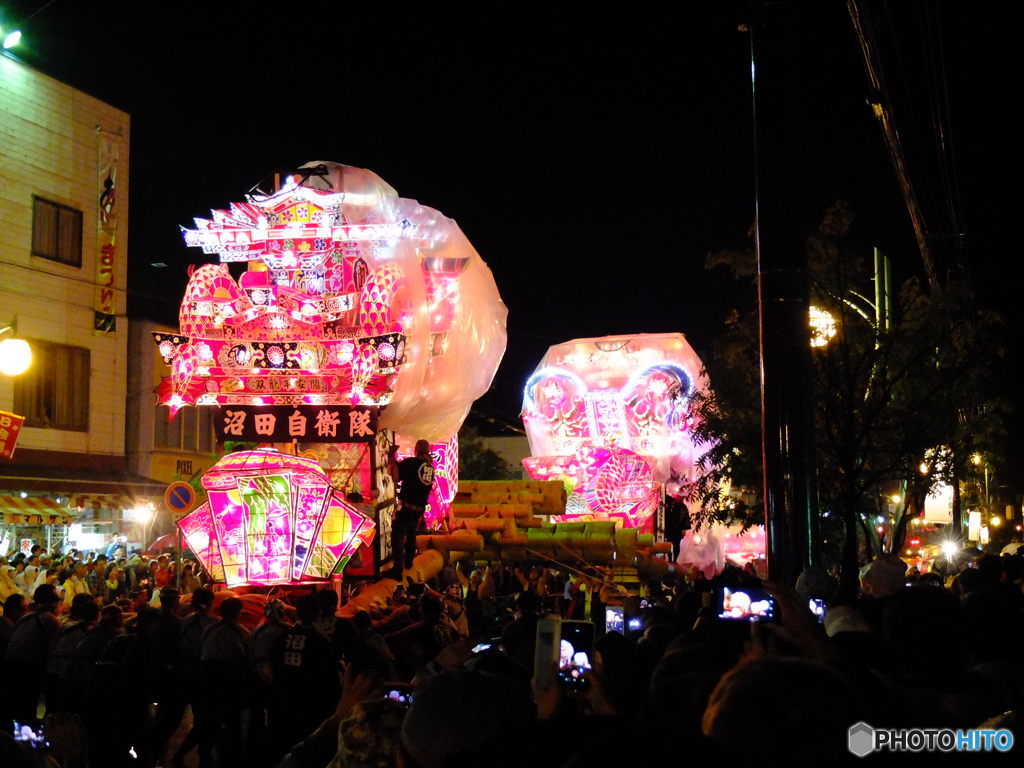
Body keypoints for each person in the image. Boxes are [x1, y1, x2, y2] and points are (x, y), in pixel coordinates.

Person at [386, 439, 435, 580]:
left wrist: (391, 456)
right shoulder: (430, 468)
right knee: (411, 532)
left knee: (398, 534)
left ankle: (397, 570)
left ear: (416, 450)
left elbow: (395, 475)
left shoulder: (412, 463)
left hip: (407, 506)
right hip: (419, 509)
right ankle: (408, 562)